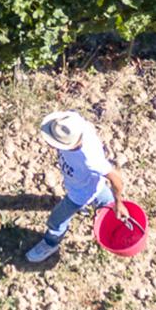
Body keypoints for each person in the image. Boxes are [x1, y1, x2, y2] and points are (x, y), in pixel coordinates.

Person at [27, 110, 129, 263]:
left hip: (80, 194)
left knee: (56, 220)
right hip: (91, 184)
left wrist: (119, 202)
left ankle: (50, 243)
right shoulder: (74, 124)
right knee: (106, 203)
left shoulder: (90, 159)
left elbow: (117, 180)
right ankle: (117, 220)